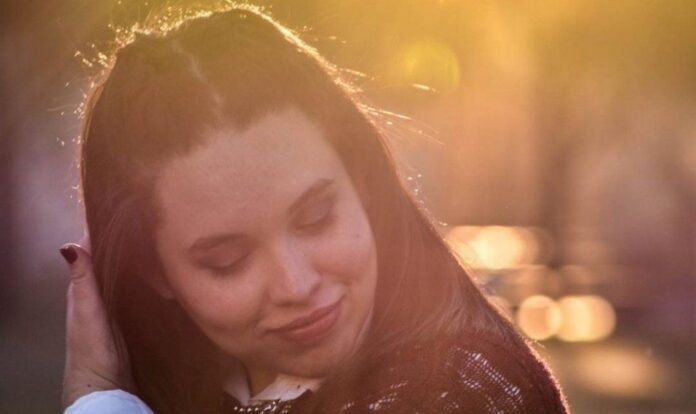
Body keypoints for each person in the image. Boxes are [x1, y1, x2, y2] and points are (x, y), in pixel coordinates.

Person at [60, 5, 570, 414]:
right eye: (228, 260)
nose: (296, 285)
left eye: (316, 218)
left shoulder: (457, 391)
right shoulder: (217, 390)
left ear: (362, 182)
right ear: (154, 271)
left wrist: (98, 399)